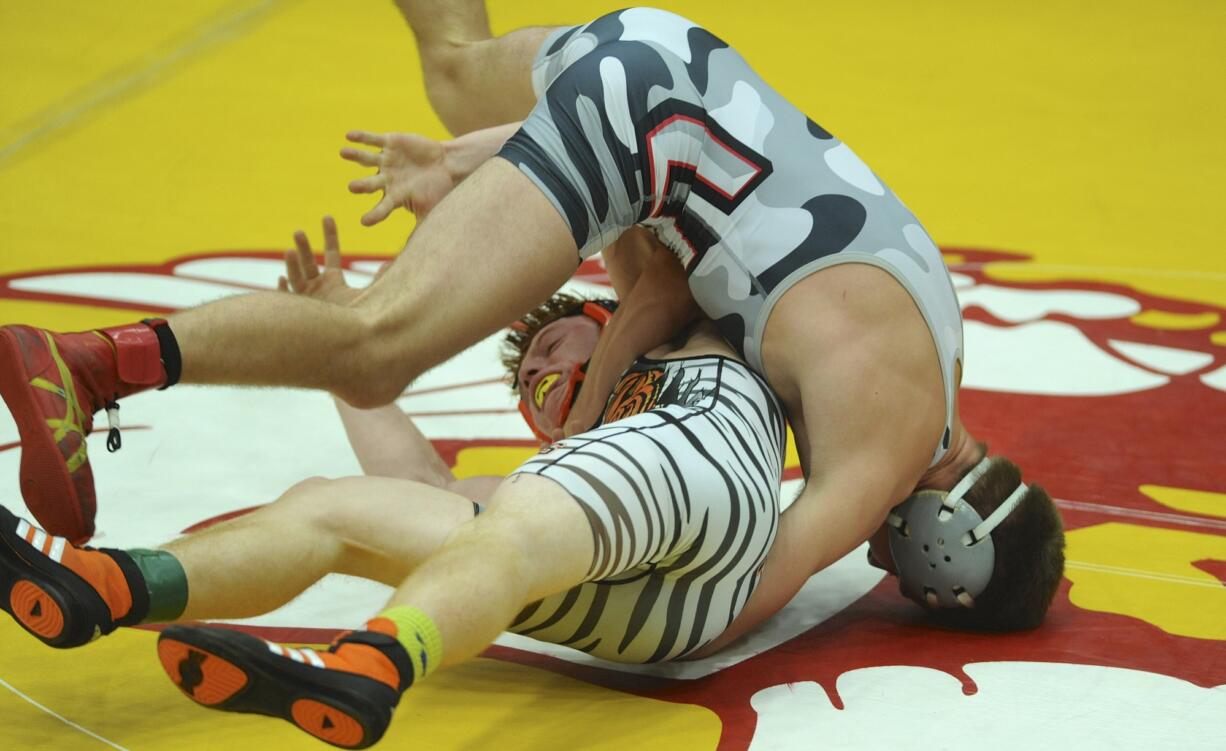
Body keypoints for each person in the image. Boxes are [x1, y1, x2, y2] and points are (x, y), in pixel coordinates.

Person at [1, 0, 1062, 656]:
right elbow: (744, 592)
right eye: (907, 575)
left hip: (669, 68)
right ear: (942, 544)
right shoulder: (879, 447)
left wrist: (472, 158)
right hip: (652, 134)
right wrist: (581, 445)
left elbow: (729, 191)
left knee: (455, 66)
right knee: (380, 339)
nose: (880, 559)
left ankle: (109, 385)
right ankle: (93, 364)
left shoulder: (935, 334)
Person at [1, 233, 787, 748]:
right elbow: (422, 488)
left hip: (706, 466)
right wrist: (342, 345)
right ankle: (107, 585)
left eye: (549, 347)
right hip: (647, 620)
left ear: (601, 316)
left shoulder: (683, 334)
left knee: (509, 529)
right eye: (529, 388)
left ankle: (375, 663)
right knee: (333, 505)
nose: (541, 375)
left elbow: (659, 256)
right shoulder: (559, 472)